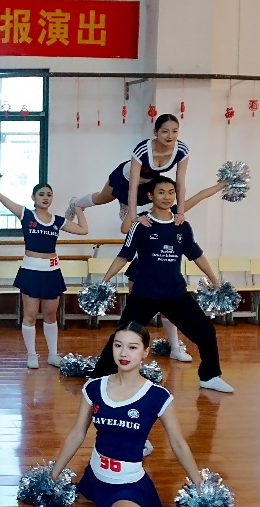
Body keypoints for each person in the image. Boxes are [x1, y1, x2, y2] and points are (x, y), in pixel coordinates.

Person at [49, 322, 202, 507]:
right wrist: (52, 476)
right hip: (94, 478)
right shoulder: (94, 388)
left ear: (145, 352)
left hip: (129, 484)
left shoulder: (157, 396)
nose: (123, 353)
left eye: (132, 347)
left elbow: (178, 443)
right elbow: (77, 433)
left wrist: (199, 485)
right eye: (118, 345)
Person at [70, 115, 222, 362]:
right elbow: (126, 232)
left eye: (175, 131)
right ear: (155, 132)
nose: (170, 136)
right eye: (165, 131)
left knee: (171, 309)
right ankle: (77, 203)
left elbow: (197, 194)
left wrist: (223, 184)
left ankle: (174, 347)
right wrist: (134, 216)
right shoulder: (144, 216)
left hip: (146, 196)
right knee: (101, 198)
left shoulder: (174, 212)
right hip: (128, 187)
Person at [90, 175, 232, 393]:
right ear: (151, 196)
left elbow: (196, 255)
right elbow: (124, 255)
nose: (167, 197)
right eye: (161, 192)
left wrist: (215, 281)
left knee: (205, 332)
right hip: (144, 294)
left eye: (171, 192)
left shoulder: (181, 225)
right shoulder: (141, 224)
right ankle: (98, 377)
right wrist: (104, 281)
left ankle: (210, 376)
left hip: (175, 293)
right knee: (123, 336)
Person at [0, 181, 88, 369]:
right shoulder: (26, 214)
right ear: (33, 197)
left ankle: (53, 354)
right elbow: (3, 199)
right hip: (31, 271)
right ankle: (32, 354)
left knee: (50, 315)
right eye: (41, 194)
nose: (45, 198)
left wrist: (77, 208)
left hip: (52, 272)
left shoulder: (57, 220)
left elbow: (83, 230)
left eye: (49, 194)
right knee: (30, 316)